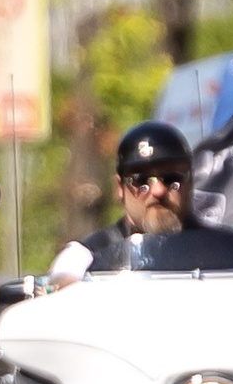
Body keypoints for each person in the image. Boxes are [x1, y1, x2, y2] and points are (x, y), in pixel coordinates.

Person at [49, 122, 192, 284]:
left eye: (172, 178)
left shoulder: (221, 251)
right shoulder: (83, 259)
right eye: (141, 180)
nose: (158, 190)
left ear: (191, 181)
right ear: (120, 187)